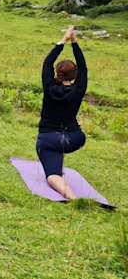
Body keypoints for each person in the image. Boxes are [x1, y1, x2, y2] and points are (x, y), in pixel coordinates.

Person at [36, 26, 88, 200]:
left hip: (49, 139)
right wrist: (74, 42)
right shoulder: (78, 89)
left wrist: (63, 40)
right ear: (75, 75)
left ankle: (70, 196)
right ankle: (73, 197)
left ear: (57, 73)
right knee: (59, 146)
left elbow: (47, 63)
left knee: (52, 175)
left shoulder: (50, 87)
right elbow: (83, 67)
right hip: (74, 139)